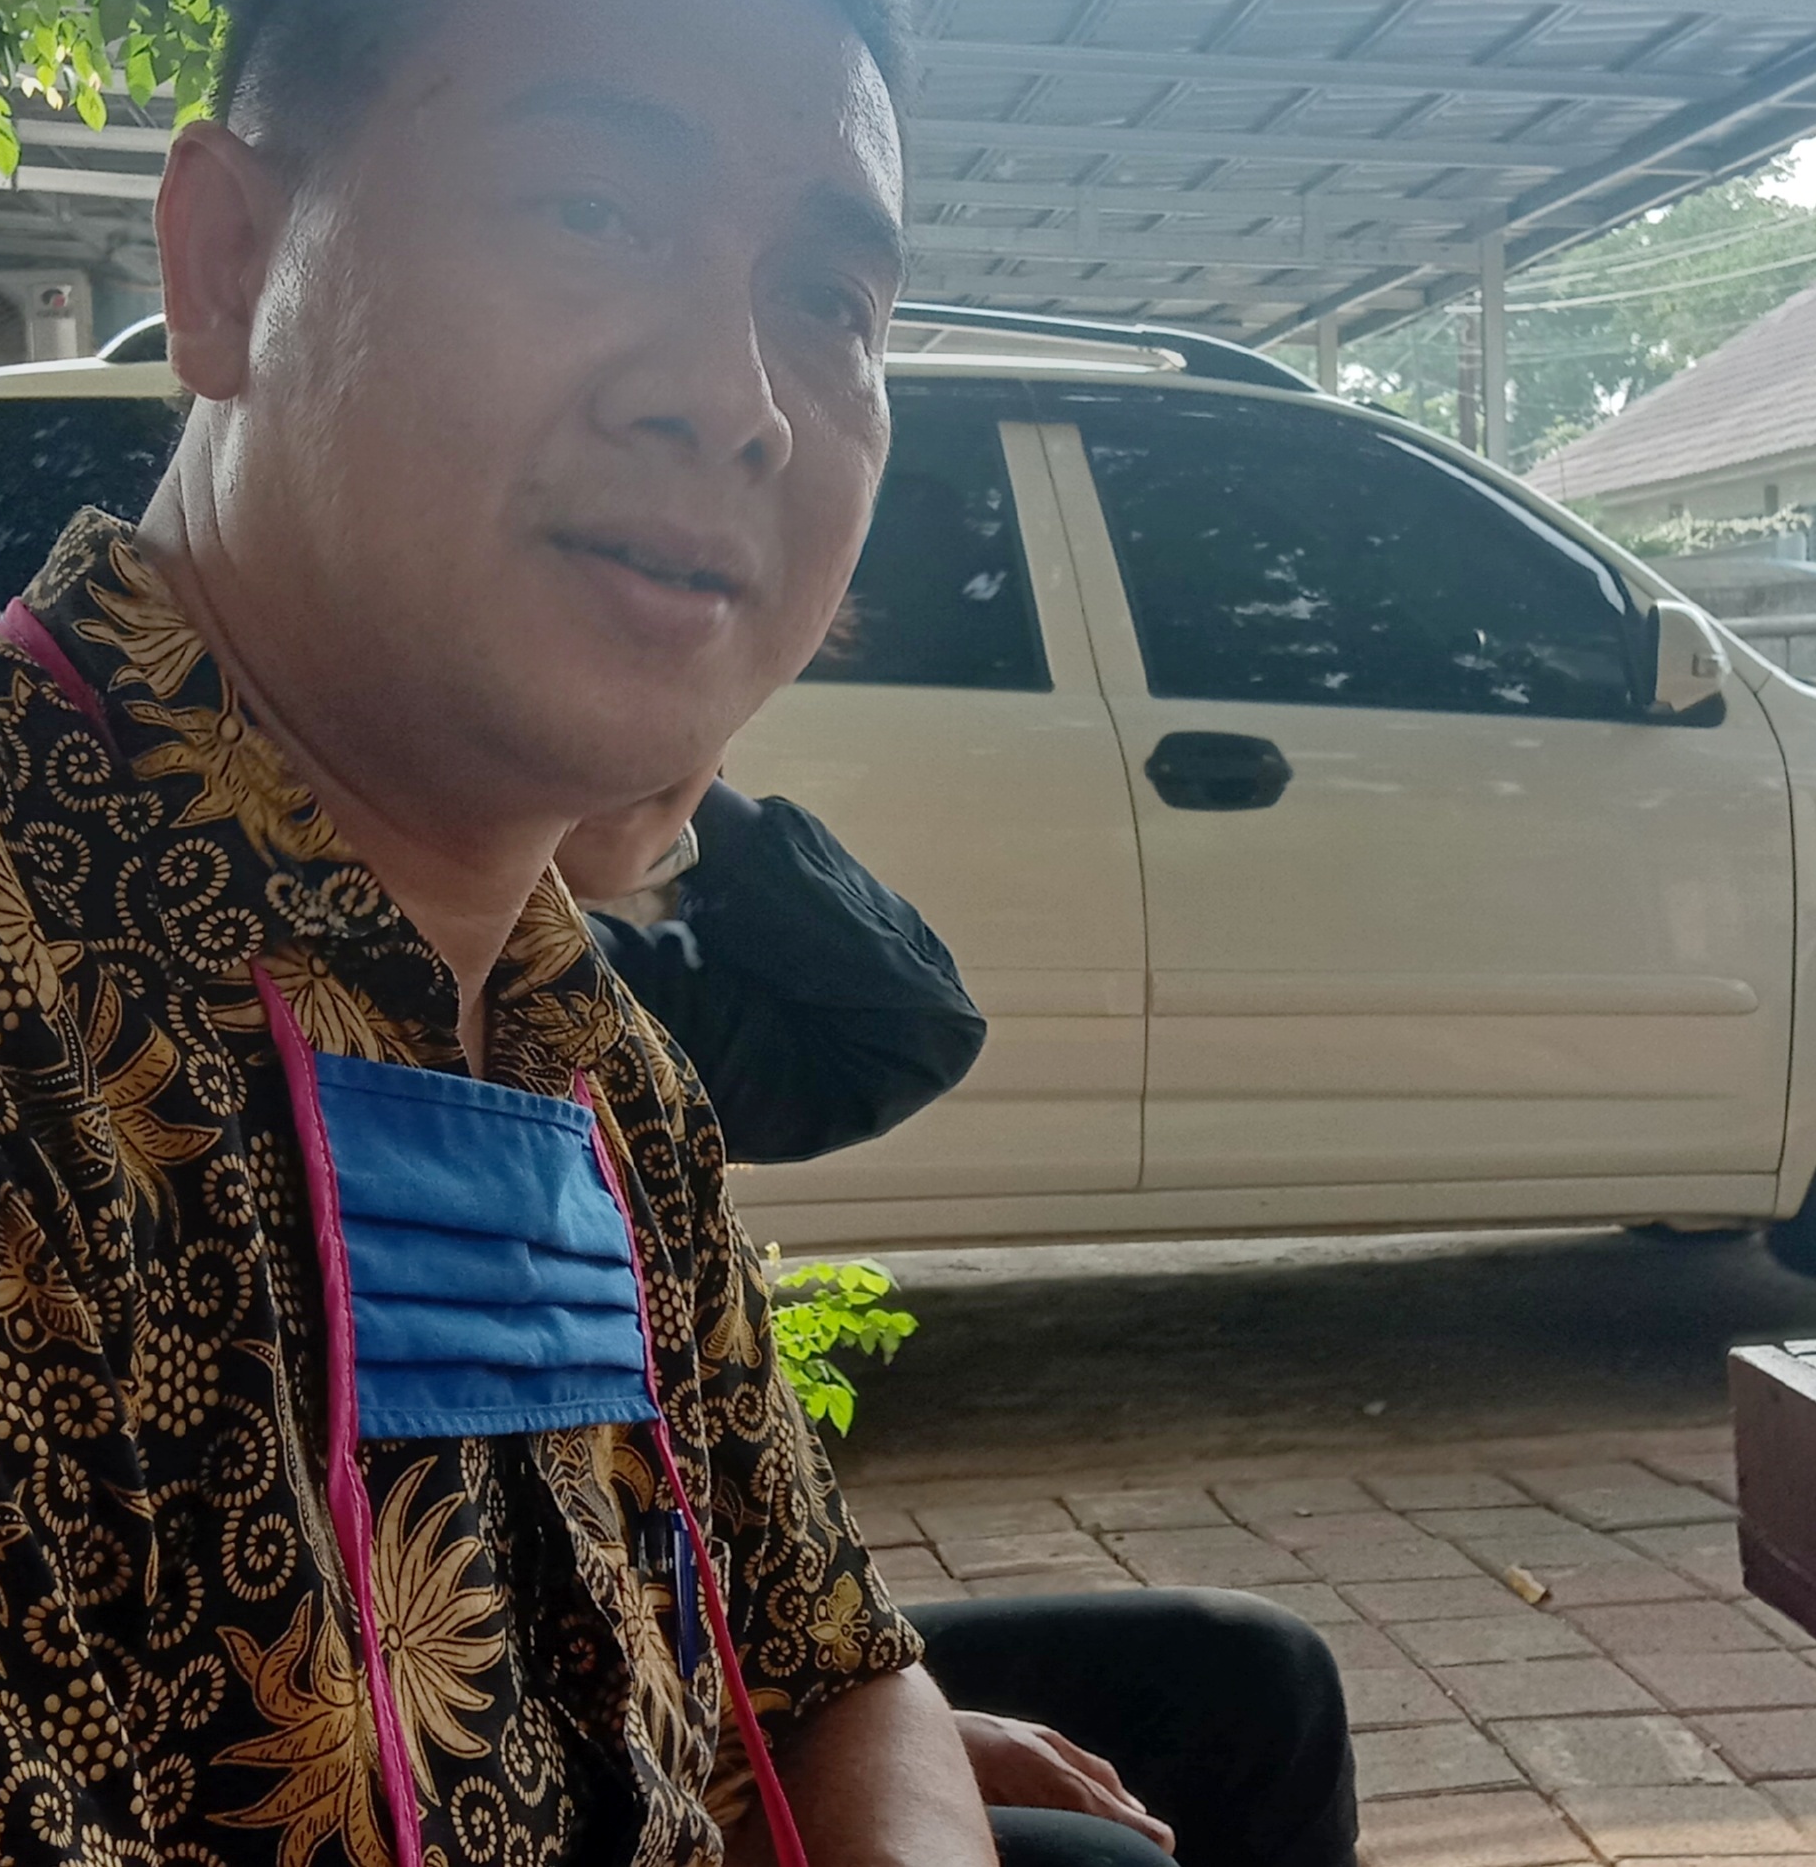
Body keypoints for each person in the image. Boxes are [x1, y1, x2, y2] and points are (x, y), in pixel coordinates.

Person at [0, 0, 989, 1867]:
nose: (736, 397)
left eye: (830, 302)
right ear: (228, 263)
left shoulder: (589, 1058)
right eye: (591, 213)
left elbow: (826, 1659)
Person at [564, 787, 1364, 1867]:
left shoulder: (589, 998)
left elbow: (901, 1031)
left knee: (1252, 1670)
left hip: (722, 1652)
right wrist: (856, 1751)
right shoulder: (358, 1050)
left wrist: (671, 789)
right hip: (577, 1726)